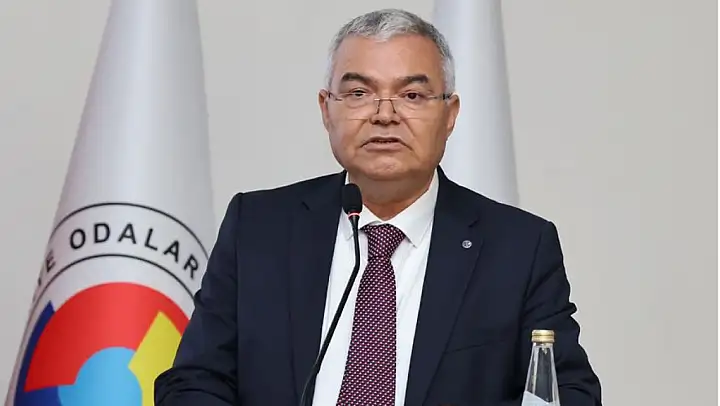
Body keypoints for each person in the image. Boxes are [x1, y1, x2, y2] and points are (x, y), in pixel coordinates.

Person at [154, 8, 602, 406]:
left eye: (412, 95)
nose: (384, 114)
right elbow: (194, 381)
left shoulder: (518, 248)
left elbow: (567, 393)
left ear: (450, 115)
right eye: (358, 93)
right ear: (326, 109)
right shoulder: (258, 228)